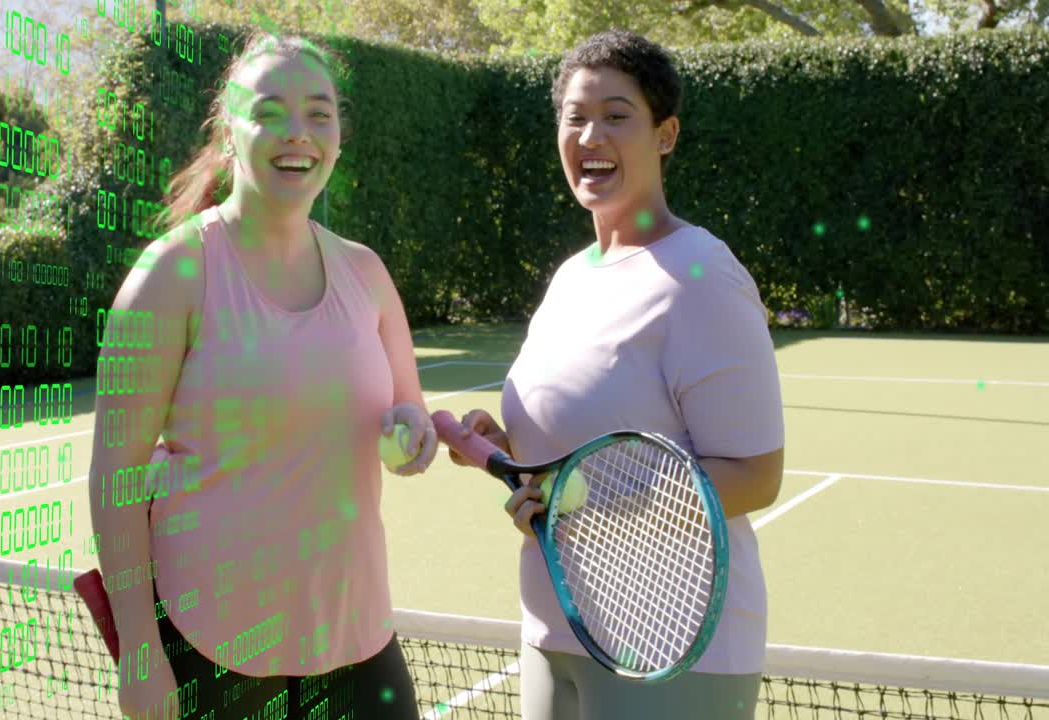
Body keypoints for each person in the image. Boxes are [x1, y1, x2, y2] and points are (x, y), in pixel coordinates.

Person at [87, 30, 437, 720]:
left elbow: (409, 410)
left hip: (357, 639)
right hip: (212, 650)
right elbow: (116, 474)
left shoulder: (366, 273)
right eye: (269, 111)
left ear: (338, 133)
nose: (296, 134)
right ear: (228, 131)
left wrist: (413, 430)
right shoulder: (171, 273)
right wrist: (138, 651)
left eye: (318, 113)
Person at [450, 29, 785, 719]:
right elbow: (575, 434)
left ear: (665, 135)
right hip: (556, 626)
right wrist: (508, 448)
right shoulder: (573, 275)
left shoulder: (701, 275)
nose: (590, 133)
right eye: (574, 117)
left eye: (616, 115)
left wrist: (581, 500)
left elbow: (756, 473)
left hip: (673, 651)